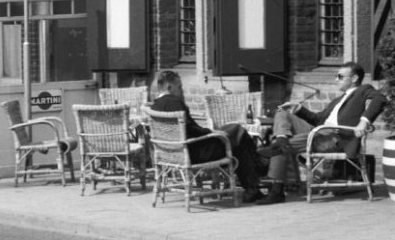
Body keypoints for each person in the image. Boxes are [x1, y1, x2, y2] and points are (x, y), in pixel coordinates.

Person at [262, 61, 387, 204]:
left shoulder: (364, 90)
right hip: (319, 131)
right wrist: (298, 108)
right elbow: (317, 119)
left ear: (354, 78)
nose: (336, 79)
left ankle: (276, 189)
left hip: (334, 137)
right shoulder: (338, 100)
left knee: (278, 148)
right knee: (281, 110)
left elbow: (380, 99)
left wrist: (364, 122)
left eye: (340, 76)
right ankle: (281, 139)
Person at [148, 69, 266, 203]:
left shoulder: (154, 106)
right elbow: (191, 130)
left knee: (237, 137)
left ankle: (253, 183)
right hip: (196, 152)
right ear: (169, 87)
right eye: (179, 87)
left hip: (172, 153)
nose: (182, 91)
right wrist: (211, 132)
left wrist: (211, 131)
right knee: (238, 132)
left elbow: (186, 130)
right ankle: (257, 172)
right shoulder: (175, 103)